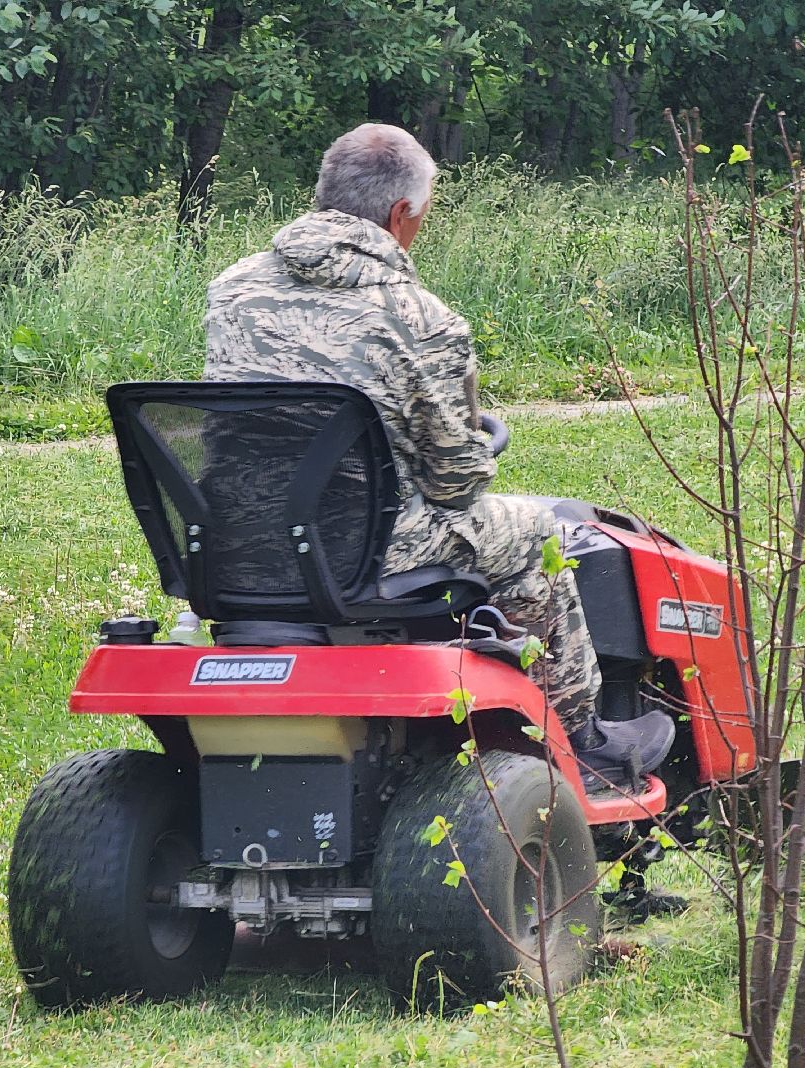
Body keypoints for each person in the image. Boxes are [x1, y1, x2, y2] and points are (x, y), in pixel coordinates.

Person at [202, 123, 674, 785]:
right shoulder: (422, 318)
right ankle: (582, 738)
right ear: (402, 214)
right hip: (363, 557)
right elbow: (454, 483)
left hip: (242, 546)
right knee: (536, 534)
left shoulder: (231, 290)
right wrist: (475, 443)